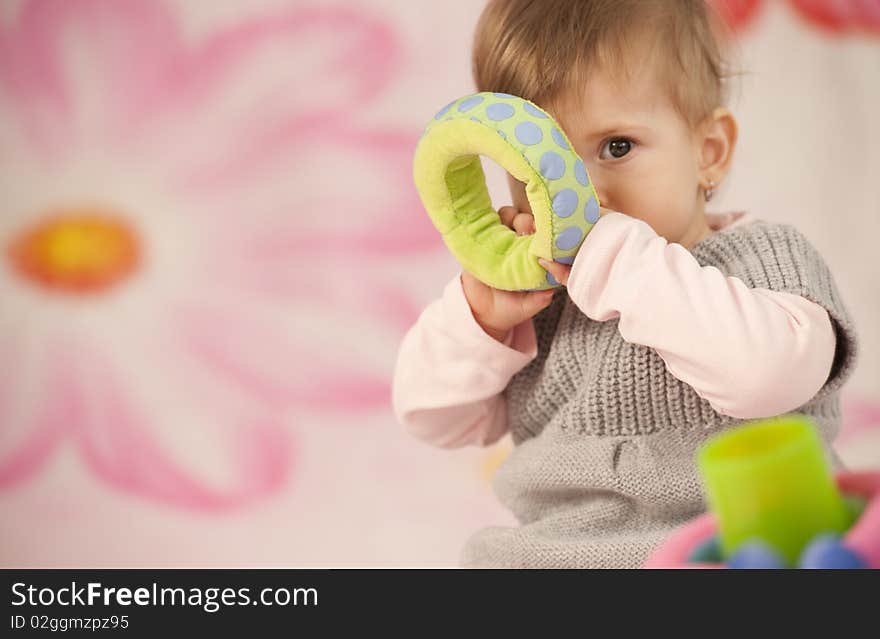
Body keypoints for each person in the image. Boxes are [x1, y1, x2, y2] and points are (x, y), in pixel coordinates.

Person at [391, 0, 858, 568]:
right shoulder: (535, 302)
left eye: (616, 148)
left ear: (709, 151)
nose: (583, 197)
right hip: (556, 559)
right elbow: (431, 417)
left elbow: (772, 376)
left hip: (737, 547)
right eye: (539, 169)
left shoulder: (763, 259)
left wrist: (628, 269)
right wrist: (478, 320)